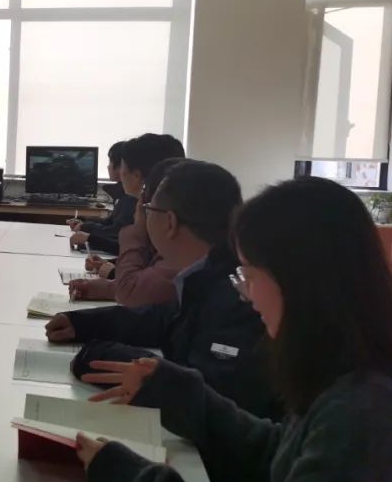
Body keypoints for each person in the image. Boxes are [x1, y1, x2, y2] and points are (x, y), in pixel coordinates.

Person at [73, 177, 392, 482]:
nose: (247, 295)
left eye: (251, 274)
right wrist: (180, 394)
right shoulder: (344, 371)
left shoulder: (365, 403)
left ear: (300, 283)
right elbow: (281, 452)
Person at [46, 160, 280, 422]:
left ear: (170, 222)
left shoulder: (236, 291)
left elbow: (207, 394)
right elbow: (163, 318)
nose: (144, 216)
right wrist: (82, 323)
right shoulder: (207, 273)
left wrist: (100, 355)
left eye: (148, 209)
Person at [69, 157, 183, 307]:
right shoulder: (182, 257)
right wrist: (108, 287)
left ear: (170, 221)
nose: (139, 212)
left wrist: (138, 230)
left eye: (148, 208)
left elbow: (131, 290)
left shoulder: (179, 267)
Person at [70, 133, 185, 255]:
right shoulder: (167, 208)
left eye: (123, 167)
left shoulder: (156, 217)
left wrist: (91, 237)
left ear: (137, 175)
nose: (121, 173)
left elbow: (134, 250)